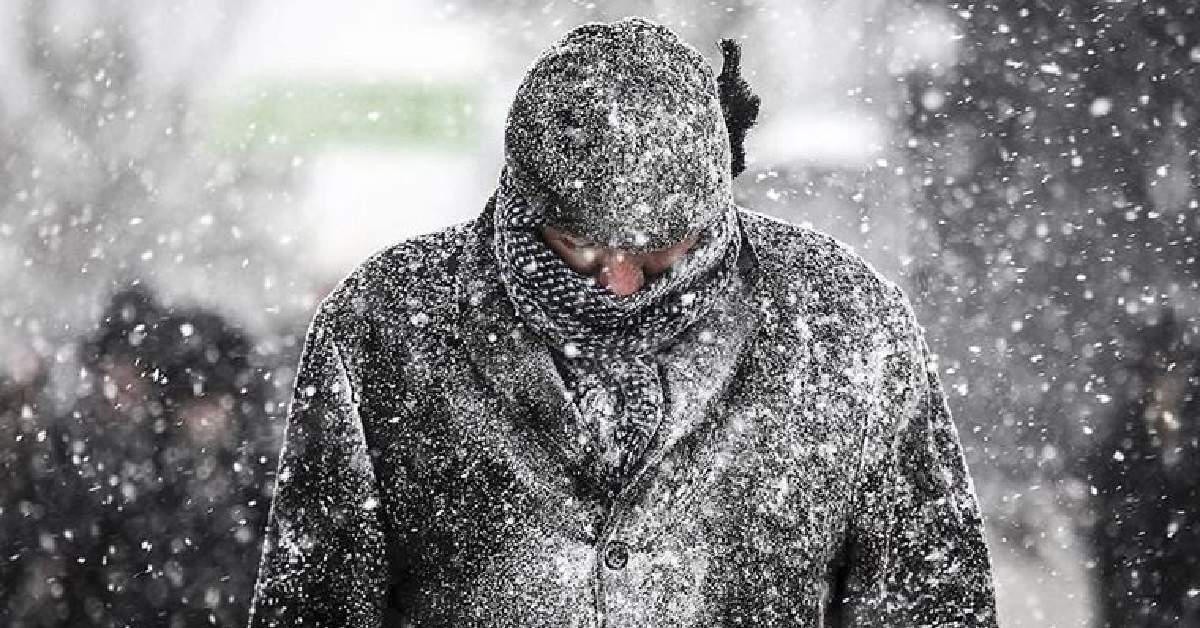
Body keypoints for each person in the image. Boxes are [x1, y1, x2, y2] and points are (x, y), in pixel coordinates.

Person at [248, 17, 999, 627]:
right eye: (579, 246)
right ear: (524, 203)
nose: (620, 283)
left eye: (657, 250)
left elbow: (932, 602)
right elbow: (314, 603)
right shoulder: (385, 326)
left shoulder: (844, 325)